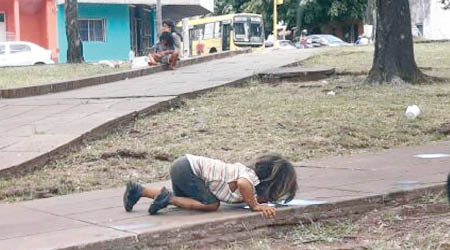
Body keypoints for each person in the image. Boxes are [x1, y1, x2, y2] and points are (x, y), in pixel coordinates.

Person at [123, 153, 298, 218]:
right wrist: (255, 205)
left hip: (184, 165)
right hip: (189, 169)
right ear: (268, 182)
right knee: (211, 204)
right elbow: (243, 184)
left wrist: (257, 200)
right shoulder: (250, 177)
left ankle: (139, 190)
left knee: (187, 200)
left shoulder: (245, 174)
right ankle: (167, 198)